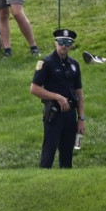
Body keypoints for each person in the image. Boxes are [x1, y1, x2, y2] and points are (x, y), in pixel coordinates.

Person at [30, 29, 85, 169]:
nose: (64, 46)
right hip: (54, 113)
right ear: (56, 43)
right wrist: (57, 97)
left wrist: (81, 118)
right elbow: (34, 88)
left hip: (70, 113)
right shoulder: (46, 63)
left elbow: (79, 92)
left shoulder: (74, 65)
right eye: (61, 42)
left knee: (67, 155)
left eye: (67, 42)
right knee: (49, 151)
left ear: (71, 45)